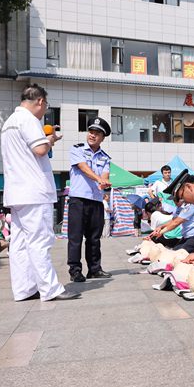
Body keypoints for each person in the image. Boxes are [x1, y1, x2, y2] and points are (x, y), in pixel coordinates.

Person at [0, 84, 80, 301]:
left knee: (19, 243)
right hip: (34, 191)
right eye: (46, 106)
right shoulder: (29, 120)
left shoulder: (9, 123)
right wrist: (50, 139)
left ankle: (24, 289)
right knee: (39, 241)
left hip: (16, 192)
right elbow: (40, 149)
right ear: (40, 102)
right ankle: (50, 289)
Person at [67, 116, 113, 283]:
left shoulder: (105, 157)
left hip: (96, 201)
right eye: (91, 132)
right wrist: (99, 179)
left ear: (103, 137)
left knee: (94, 238)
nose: (92, 135)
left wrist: (105, 181)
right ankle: (75, 270)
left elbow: (105, 175)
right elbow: (83, 167)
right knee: (75, 237)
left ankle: (94, 269)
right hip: (78, 200)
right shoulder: (77, 149)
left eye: (97, 133)